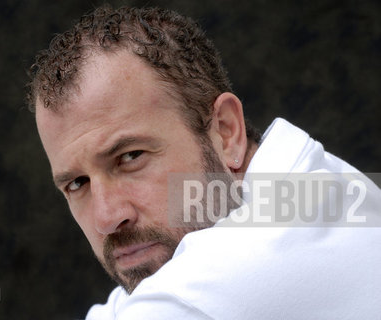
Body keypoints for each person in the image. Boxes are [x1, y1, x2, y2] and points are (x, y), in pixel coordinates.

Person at [28, 6, 381, 319]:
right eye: (77, 183)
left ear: (227, 132)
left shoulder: (226, 279)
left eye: (130, 157)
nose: (106, 218)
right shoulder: (315, 184)